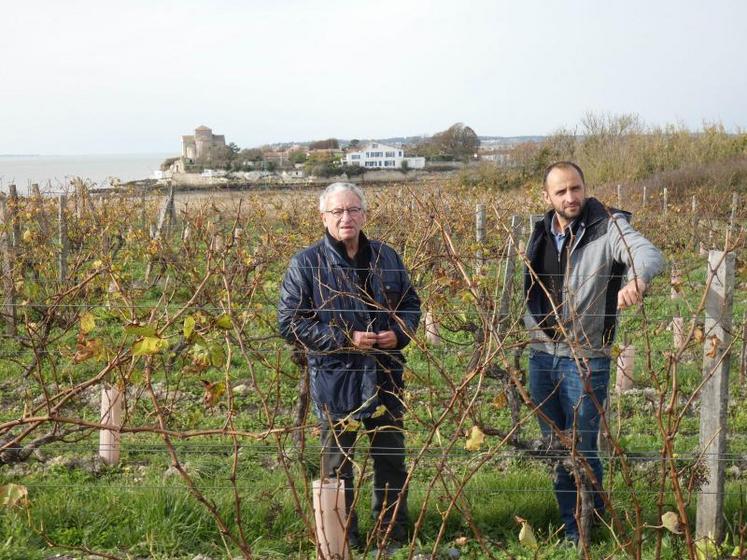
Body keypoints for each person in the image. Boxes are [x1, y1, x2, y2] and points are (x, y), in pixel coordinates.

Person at [523, 161, 664, 543]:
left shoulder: (608, 225)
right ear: (547, 196)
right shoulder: (538, 231)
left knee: (582, 447)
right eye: (561, 192)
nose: (571, 197)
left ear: (585, 187)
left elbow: (648, 254)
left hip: (585, 357)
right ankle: (576, 521)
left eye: (576, 188)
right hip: (540, 354)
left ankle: (584, 527)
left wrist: (638, 278)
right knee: (555, 447)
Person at [278, 182, 421, 550]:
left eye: (353, 210)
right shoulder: (306, 264)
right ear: (324, 217)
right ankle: (341, 539)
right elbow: (290, 322)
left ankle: (391, 537)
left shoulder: (386, 257)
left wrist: (399, 332)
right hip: (334, 381)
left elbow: (410, 305)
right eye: (337, 212)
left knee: (390, 460)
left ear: (364, 214)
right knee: (337, 467)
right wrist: (345, 338)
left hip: (385, 376)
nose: (346, 218)